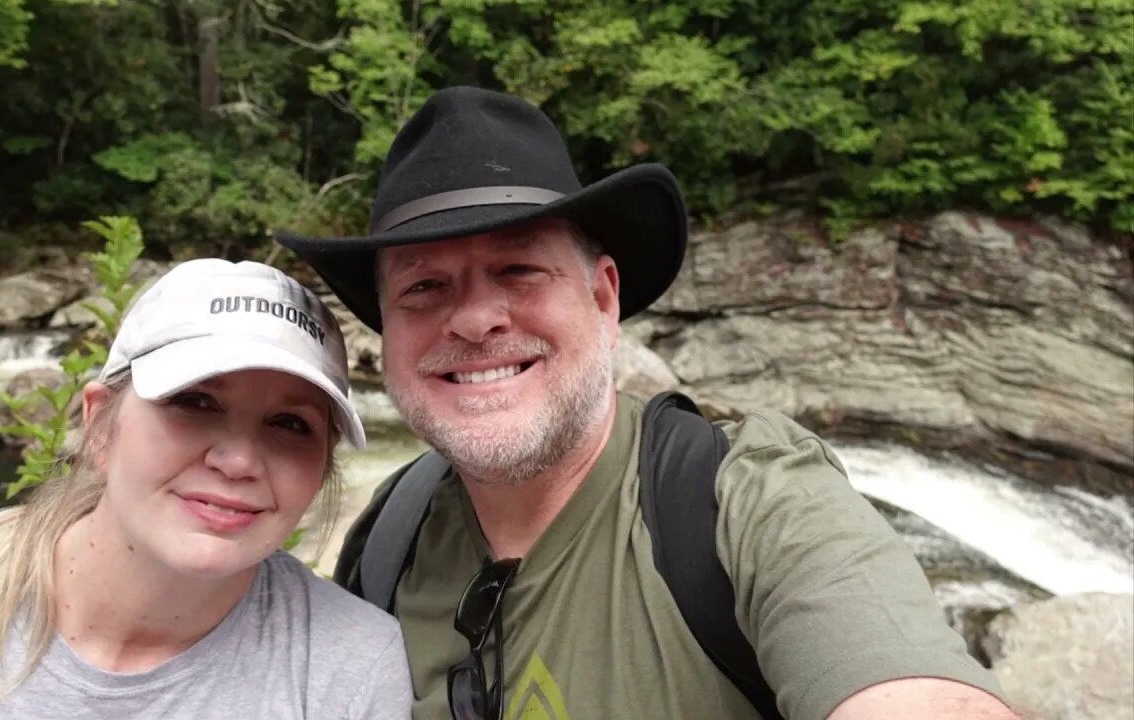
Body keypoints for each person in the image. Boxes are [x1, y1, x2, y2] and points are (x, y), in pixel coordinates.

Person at [277, 86, 1020, 720]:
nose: (475, 319)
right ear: (387, 334)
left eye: (519, 269)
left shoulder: (749, 503)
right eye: (423, 287)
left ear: (603, 297)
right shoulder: (388, 540)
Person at [0, 259, 413, 719]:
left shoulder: (351, 671)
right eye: (194, 402)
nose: (239, 460)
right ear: (100, 425)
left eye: (291, 424)